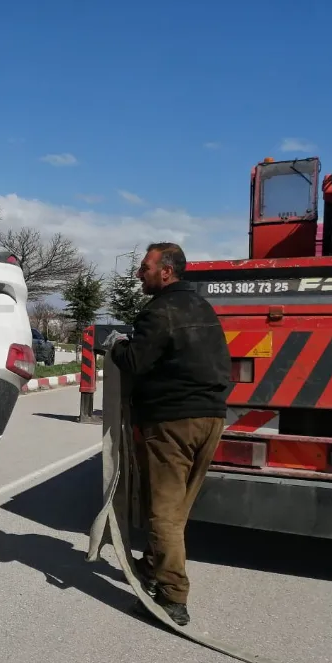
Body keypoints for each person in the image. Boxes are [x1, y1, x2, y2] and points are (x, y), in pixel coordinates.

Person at [105, 242, 232, 626]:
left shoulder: (159, 311)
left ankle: (173, 598)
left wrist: (116, 345)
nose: (138, 273)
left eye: (144, 267)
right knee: (178, 507)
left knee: (164, 512)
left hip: (173, 422)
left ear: (166, 271)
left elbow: (135, 361)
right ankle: (152, 564)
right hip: (211, 419)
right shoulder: (202, 308)